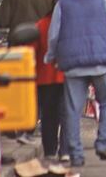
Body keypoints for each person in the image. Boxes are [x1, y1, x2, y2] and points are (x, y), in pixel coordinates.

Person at [45, 0, 106, 166]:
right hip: (101, 61)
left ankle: (76, 155)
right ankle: (103, 143)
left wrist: (51, 56)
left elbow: (53, 35)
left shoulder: (63, 3)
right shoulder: (103, 0)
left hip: (73, 63)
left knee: (73, 108)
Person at [34, 9, 65, 167]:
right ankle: (65, 150)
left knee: (48, 116)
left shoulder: (41, 24)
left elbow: (33, 50)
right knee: (66, 114)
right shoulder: (70, 24)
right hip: (67, 76)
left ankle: (50, 150)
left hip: (44, 78)